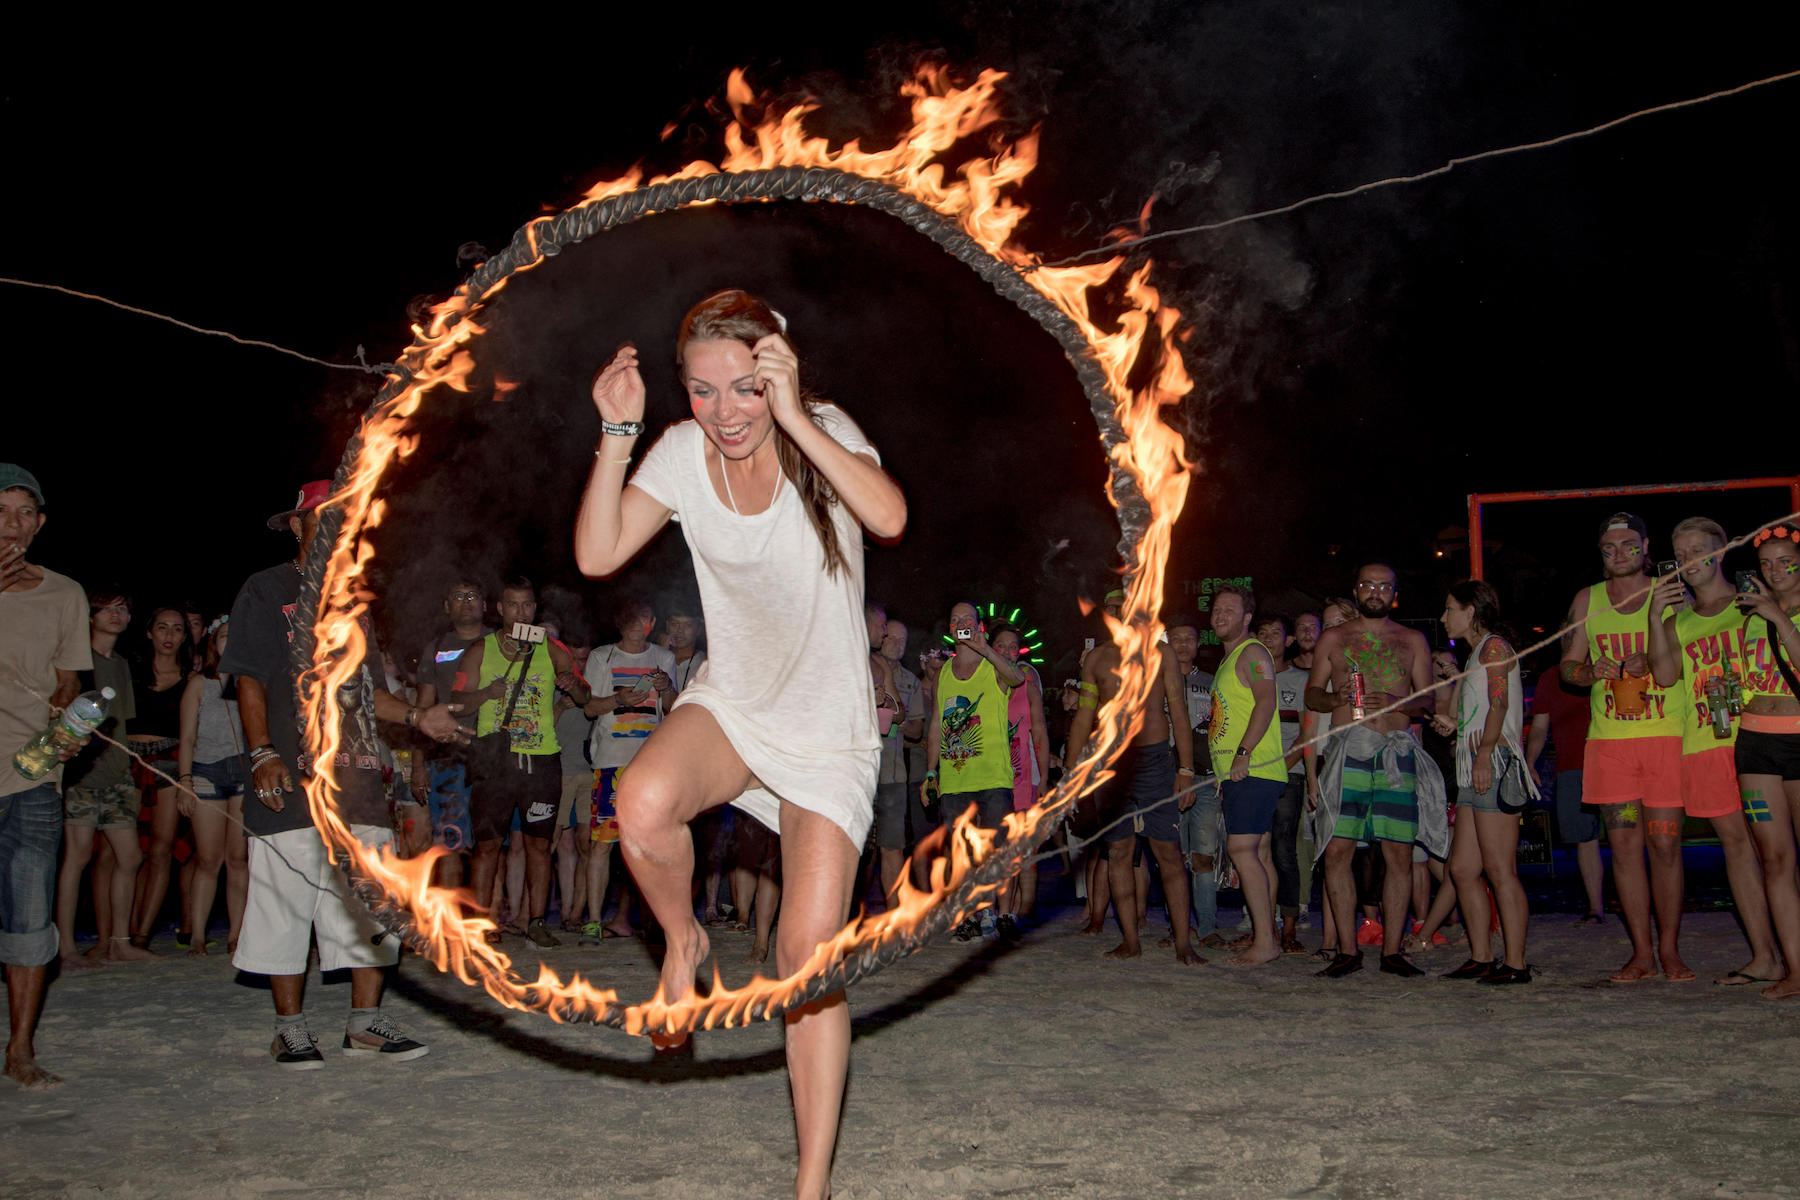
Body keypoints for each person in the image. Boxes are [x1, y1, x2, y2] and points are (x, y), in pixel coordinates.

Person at [573, 289, 906, 1200]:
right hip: (736, 707)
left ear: (778, 374)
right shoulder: (680, 453)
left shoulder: (821, 428)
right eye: (703, 391)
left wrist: (797, 416)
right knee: (638, 802)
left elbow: (888, 518)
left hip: (829, 731)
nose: (726, 413)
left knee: (805, 960)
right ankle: (684, 945)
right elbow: (599, 554)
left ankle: (810, 1187)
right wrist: (617, 433)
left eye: (746, 389)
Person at [224, 481, 468, 1069]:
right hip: (294, 778)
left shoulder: (354, 608)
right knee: (288, 903)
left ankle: (365, 1023)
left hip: (358, 782)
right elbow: (250, 677)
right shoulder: (268, 590)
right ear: (298, 526)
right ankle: (290, 1027)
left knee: (370, 907)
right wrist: (262, 753)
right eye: (324, 519)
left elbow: (371, 694)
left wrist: (416, 715)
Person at [1647, 517, 1781, 986]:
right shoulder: (1678, 619)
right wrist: (1653, 617)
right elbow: (1664, 677)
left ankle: (1786, 950)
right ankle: (1765, 955)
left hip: (1757, 736)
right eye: (1679, 554)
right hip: (1704, 741)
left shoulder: (1751, 605)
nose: (1688, 562)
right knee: (1737, 847)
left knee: (1776, 851)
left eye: (1698, 551)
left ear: (1721, 552)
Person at [1559, 513, 1689, 983]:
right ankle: (1641, 954)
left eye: (1628, 545)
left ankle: (1671, 950)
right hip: (1612, 746)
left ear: (1645, 546)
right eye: (1609, 547)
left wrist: (1653, 658)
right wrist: (1594, 671)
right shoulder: (1587, 600)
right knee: (1626, 847)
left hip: (1665, 738)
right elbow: (1568, 668)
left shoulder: (1670, 591)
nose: (1619, 555)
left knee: (1665, 845)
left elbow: (1690, 653)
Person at [1306, 563, 1444, 978]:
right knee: (1337, 850)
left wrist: (1398, 703)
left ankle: (1392, 951)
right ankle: (1347, 951)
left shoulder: (1412, 639)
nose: (1376, 592)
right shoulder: (1335, 638)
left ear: (1394, 593)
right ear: (1356, 589)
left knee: (1398, 853)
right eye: (1368, 585)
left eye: (1385, 586)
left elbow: (1429, 703)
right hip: (1348, 750)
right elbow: (1312, 695)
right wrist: (1335, 699)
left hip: (1396, 753)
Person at [0, 465, 91, 1087]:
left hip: (32, 778)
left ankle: (20, 1050)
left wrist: (66, 725)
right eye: (0, 511)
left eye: (24, 512)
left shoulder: (65, 593)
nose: (13, 524)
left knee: (31, 923)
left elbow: (70, 678)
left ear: (40, 523)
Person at [1064, 595, 1202, 963]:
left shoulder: (1161, 653)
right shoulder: (1097, 659)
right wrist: (1071, 770)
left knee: (1168, 853)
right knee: (1118, 851)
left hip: (1156, 762)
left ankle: (1183, 945)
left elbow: (1179, 711)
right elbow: (1083, 718)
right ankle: (1130, 941)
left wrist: (1185, 769)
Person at [453, 578, 589, 949]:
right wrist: (486, 693)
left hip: (542, 759)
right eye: (513, 606)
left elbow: (585, 695)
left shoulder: (551, 647)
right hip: (495, 761)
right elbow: (457, 702)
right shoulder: (482, 650)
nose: (521, 613)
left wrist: (572, 685)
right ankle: (482, 923)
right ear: (500, 609)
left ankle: (537, 920)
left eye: (527, 606)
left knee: (539, 845)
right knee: (488, 845)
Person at [1431, 581, 1537, 984]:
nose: (1444, 618)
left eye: (1450, 609)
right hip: (1475, 764)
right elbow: (1484, 708)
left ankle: (1515, 963)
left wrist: (1485, 751)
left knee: (1499, 868)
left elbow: (1500, 703)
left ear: (1471, 611)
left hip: (1491, 764)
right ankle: (1481, 955)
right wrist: (1457, 727)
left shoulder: (1494, 647)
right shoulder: (1478, 653)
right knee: (1462, 867)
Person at [54, 586, 152, 968]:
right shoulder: (78, 662)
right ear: (91, 616)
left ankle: (119, 941)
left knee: (130, 857)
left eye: (123, 609)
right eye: (107, 609)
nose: (116, 614)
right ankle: (66, 948)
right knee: (77, 857)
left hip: (117, 774)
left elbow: (121, 725)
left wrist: (129, 770)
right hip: (80, 774)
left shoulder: (122, 664)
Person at [923, 600, 1028, 941]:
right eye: (955, 619)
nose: (961, 623)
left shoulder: (992, 664)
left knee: (999, 850)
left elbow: (1017, 677)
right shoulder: (943, 674)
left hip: (993, 777)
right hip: (955, 779)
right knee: (962, 854)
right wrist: (930, 772)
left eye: (968, 618)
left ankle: (1004, 914)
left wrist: (986, 649)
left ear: (979, 626)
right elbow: (937, 724)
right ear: (950, 629)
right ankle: (968, 916)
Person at [579, 597, 676, 941]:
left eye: (647, 618)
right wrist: (620, 699)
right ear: (620, 622)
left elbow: (675, 710)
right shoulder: (601, 657)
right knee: (603, 842)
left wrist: (667, 689)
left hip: (652, 763)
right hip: (611, 760)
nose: (641, 625)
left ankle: (654, 919)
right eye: (634, 618)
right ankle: (593, 918)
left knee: (651, 844)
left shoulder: (663, 658)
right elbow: (590, 709)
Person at [1732, 523, 1800, 999]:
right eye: (1766, 563)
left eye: (1785, 561)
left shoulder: (1771, 614)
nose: (1774, 571)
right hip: (1755, 742)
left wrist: (1780, 617)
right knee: (1774, 860)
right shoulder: (1750, 617)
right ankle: (1795, 968)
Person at [1209, 586, 1286, 966]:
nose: (1220, 614)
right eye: (1216, 609)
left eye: (1230, 609)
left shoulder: (1253, 652)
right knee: (1260, 853)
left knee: (1242, 851)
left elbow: (1267, 700)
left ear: (1247, 617)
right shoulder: (1231, 658)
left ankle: (1266, 943)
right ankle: (1265, 935)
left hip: (1253, 768)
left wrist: (1243, 752)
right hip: (1241, 773)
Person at [174, 617, 251, 955]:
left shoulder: (253, 682)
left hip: (244, 774)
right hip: (206, 772)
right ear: (213, 644)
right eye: (223, 637)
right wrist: (184, 781)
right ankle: (197, 936)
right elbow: (187, 737)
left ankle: (237, 934)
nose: (230, 642)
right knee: (208, 859)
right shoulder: (198, 684)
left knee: (238, 859)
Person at [411, 578, 492, 889]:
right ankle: (450, 922)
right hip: (447, 758)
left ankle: (489, 922)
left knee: (490, 842)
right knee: (449, 842)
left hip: (493, 755)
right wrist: (418, 766)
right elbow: (423, 707)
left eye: (473, 595)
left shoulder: (502, 643)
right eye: (457, 596)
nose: (466, 601)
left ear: (485, 605)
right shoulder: (436, 649)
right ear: (447, 607)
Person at [1524, 638, 1604, 923]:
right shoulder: (1550, 677)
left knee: (1626, 832)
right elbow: (1539, 727)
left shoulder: (1605, 668)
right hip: (1572, 768)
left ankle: (1639, 903)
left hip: (1612, 764)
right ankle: (1596, 908)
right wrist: (1530, 761)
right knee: (1585, 837)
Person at [126, 605, 192, 949]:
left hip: (169, 760)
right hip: (126, 760)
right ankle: (118, 932)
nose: (169, 635)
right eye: (162, 627)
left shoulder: (190, 678)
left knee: (162, 849)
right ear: (149, 632)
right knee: (120, 851)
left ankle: (141, 935)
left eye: (177, 629)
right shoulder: (130, 671)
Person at [1257, 611, 1311, 953]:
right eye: (1261, 632)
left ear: (1288, 640)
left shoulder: (1301, 680)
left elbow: (1309, 731)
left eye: (1274, 632)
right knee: (1254, 851)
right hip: (1252, 774)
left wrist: (1284, 764)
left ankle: (1289, 926)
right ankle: (1263, 927)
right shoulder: (1248, 677)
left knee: (1284, 849)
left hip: (1288, 774)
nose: (1267, 638)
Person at [1167, 614, 1221, 945]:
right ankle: (1179, 927)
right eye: (1176, 638)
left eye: (1189, 638)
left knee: (1204, 855)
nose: (1183, 644)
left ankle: (1208, 927)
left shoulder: (1214, 682)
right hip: (1166, 779)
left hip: (1205, 778)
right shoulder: (1155, 680)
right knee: (1172, 857)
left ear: (1198, 644)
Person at [993, 622, 1049, 936]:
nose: (1007, 651)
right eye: (1000, 645)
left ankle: (1022, 910)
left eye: (1013, 646)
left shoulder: (1026, 679)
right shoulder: (983, 675)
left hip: (1023, 770)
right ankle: (998, 910)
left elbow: (1038, 730)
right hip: (991, 773)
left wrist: (1042, 779)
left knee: (1023, 846)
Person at [869, 608, 925, 915]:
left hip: (893, 774)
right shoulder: (859, 666)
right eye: (893, 637)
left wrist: (893, 718)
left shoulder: (910, 682)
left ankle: (893, 916)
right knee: (861, 850)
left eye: (904, 641)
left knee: (893, 846)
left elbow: (917, 728)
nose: (899, 645)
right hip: (862, 772)